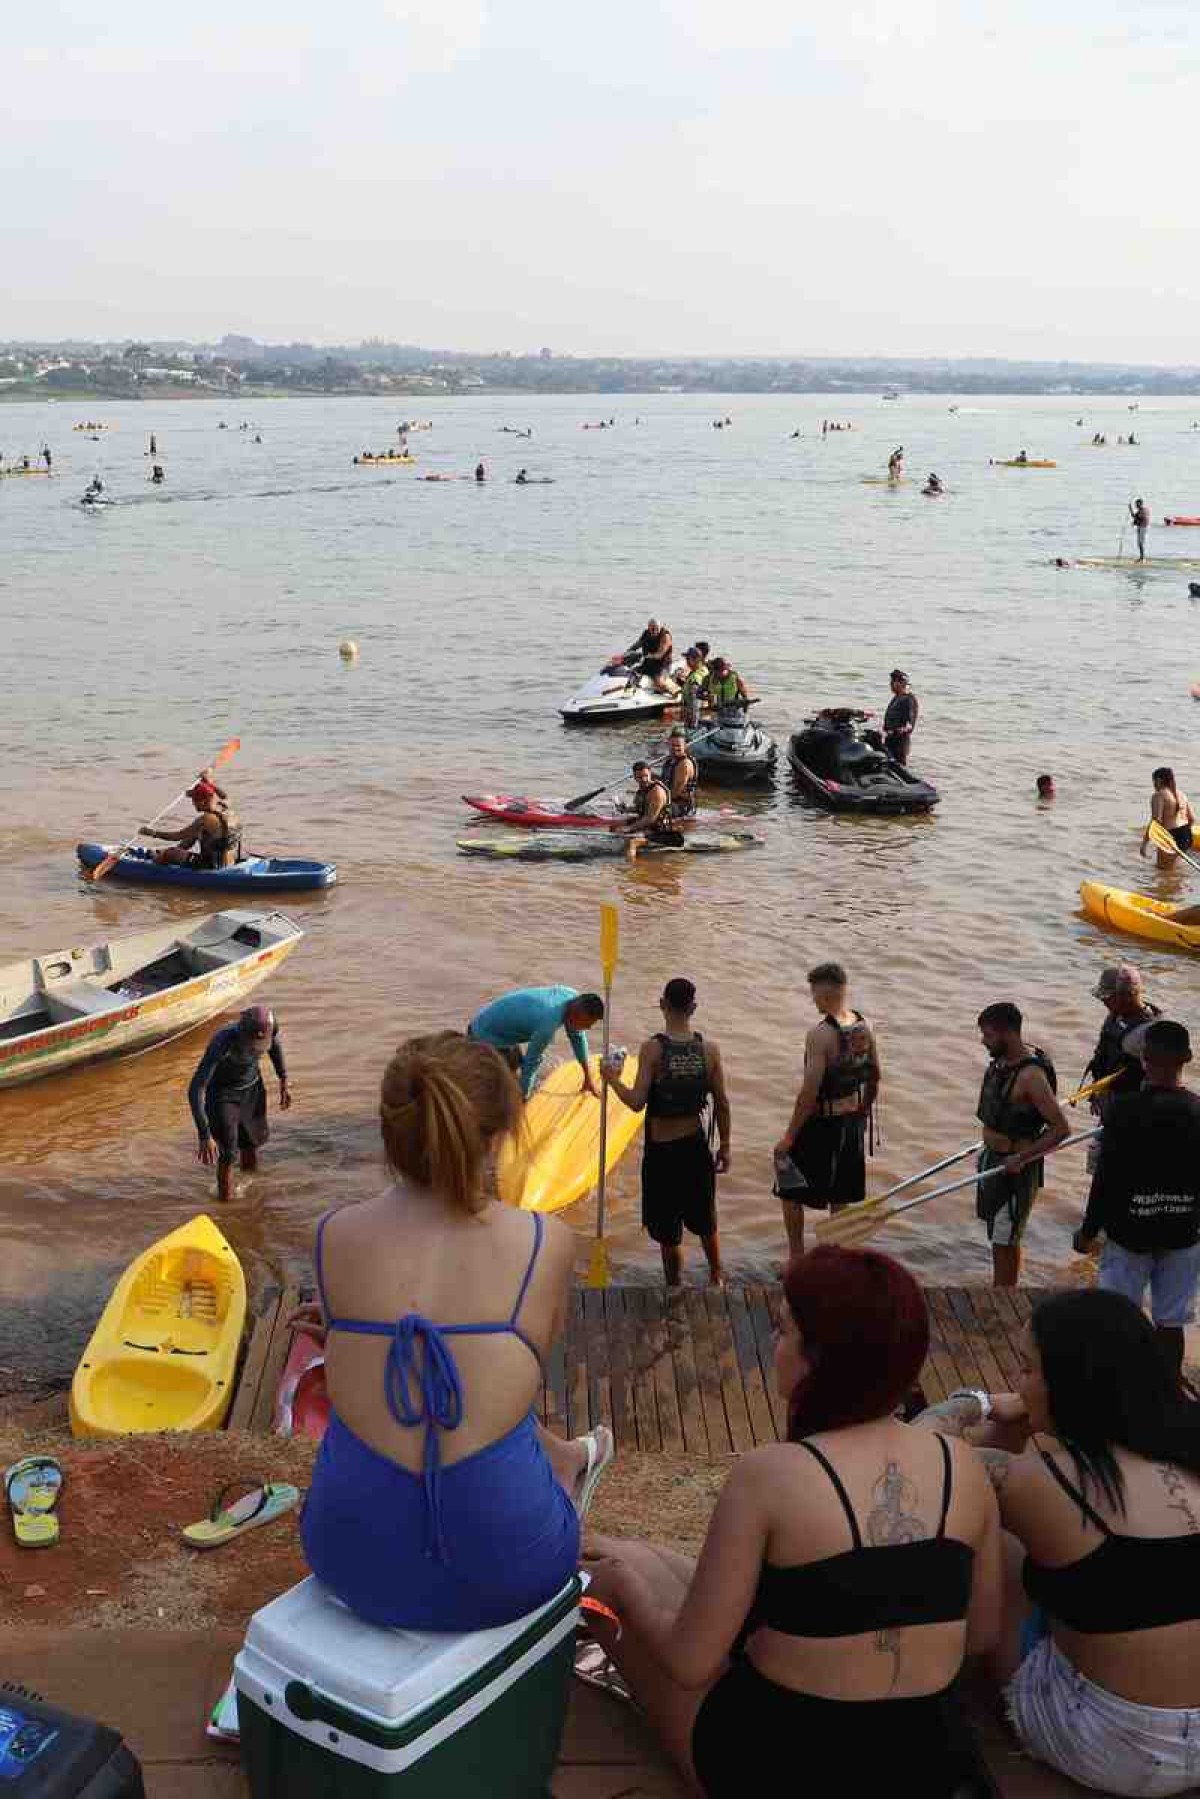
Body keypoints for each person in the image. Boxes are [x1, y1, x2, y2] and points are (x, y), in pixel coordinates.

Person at [580, 1248, 1001, 1799]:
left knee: (615, 1587)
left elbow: (689, 1662)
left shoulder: (770, 1476)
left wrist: (626, 1589)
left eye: (783, 1332)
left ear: (818, 1360)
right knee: (654, 1565)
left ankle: (611, 1581)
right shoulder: (962, 1466)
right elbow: (984, 1633)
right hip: (928, 1759)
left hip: (782, 1764)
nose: (774, 1348)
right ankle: (619, 1554)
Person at [297, 1034, 613, 1631]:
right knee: (490, 1380)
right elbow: (512, 1383)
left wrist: (349, 1338)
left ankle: (569, 1459)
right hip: (512, 1574)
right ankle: (570, 1463)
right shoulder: (546, 1241)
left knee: (455, 1376)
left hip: (348, 1566)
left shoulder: (331, 1233)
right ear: (497, 1137)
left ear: (390, 1135)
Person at [920, 1290, 1200, 1797]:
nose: (1017, 1382)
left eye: (1027, 1370)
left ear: (1071, 1383)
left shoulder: (1038, 1482)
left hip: (1112, 1747)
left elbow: (915, 1455)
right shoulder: (1186, 1443)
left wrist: (974, 1403)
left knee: (999, 1537)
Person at [1075, 1021, 1200, 1382]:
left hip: (1129, 1233)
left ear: (1143, 1059)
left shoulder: (1124, 1110)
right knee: (1171, 1321)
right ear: (1187, 1059)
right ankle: (1167, 1389)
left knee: (1117, 1316)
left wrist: (1087, 1231)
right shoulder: (1197, 1110)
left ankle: (1116, 1388)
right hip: (1182, 1234)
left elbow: (1106, 1180)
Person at [603, 978, 731, 1287]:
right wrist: (725, 1146)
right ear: (694, 1008)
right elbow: (723, 1104)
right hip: (696, 1148)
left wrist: (611, 1079)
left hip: (662, 1154)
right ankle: (717, 1277)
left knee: (668, 1231)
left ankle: (674, 1286)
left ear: (663, 1005)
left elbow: (636, 1103)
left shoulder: (653, 1049)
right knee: (705, 1221)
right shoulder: (709, 1050)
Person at [773, 964, 881, 1260]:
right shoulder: (864, 1025)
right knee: (840, 1195)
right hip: (851, 1123)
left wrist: (789, 1138)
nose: (813, 1000)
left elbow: (808, 1094)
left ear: (824, 991)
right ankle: (835, 1258)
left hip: (822, 1123)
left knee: (789, 1190)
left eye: (813, 993)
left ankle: (796, 1260)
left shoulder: (820, 1034)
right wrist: (863, 1112)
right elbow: (874, 1075)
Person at [975, 1003, 1070, 1288]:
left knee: (1006, 1239)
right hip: (993, 1159)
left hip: (1015, 1169)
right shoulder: (1002, 1064)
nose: (983, 1041)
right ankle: (1000, 1288)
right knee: (998, 1235)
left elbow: (1061, 1129)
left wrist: (1022, 1157)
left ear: (1007, 1033)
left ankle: (1005, 1297)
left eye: (988, 1035)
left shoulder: (1031, 1076)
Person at [188, 1005, 291, 1203]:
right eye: (251, 1043)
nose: (255, 1048)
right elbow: (196, 1089)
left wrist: (283, 1080)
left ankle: (251, 1192)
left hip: (252, 1089)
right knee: (228, 1154)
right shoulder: (222, 1041)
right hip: (223, 1096)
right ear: (242, 1033)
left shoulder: (271, 1027)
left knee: (251, 1143)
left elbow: (274, 1047)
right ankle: (225, 1206)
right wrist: (204, 1134)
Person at [467, 985, 603, 1099]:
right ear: (576, 1014)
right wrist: (524, 1100)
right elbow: (530, 1064)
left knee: (514, 1071)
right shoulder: (547, 1024)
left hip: (494, 1028)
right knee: (500, 1086)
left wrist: (588, 1078)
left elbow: (577, 1037)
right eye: (587, 1024)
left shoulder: (571, 996)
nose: (588, 1028)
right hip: (483, 1036)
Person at [140, 779, 242, 869]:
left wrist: (153, 833)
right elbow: (225, 796)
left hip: (212, 865)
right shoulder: (225, 807)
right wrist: (209, 783)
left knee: (170, 852)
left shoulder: (205, 820)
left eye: (194, 800)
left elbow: (177, 836)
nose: (193, 803)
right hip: (231, 861)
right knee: (195, 834)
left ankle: (156, 860)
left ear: (202, 801)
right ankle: (170, 852)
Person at [610, 761, 677, 858]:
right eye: (639, 777)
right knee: (614, 825)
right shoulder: (642, 789)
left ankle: (631, 869)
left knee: (632, 842)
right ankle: (615, 848)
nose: (644, 779)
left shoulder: (657, 792)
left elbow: (650, 819)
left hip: (658, 830)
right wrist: (624, 809)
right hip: (645, 823)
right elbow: (639, 808)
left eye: (646, 776)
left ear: (650, 773)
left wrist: (629, 828)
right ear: (635, 777)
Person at [1142, 766, 1195, 867]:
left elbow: (1156, 821)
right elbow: (1191, 819)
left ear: (1159, 780)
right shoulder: (1181, 794)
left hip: (1170, 836)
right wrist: (1183, 836)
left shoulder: (1158, 795)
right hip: (1186, 835)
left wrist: (1144, 843)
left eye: (1153, 781)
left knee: (1162, 870)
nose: (1153, 784)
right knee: (1175, 871)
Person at [626, 620, 675, 693]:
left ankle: (674, 690)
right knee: (631, 673)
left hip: (662, 666)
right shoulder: (646, 634)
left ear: (660, 627)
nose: (655, 631)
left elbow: (659, 655)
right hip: (648, 664)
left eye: (657, 628)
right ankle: (630, 691)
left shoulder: (665, 636)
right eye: (652, 629)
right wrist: (627, 653)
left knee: (658, 683)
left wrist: (645, 656)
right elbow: (637, 645)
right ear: (648, 628)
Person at [660, 726, 698, 819]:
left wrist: (656, 800)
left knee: (651, 807)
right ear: (668, 744)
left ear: (685, 746)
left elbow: (676, 792)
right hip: (671, 800)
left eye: (678, 746)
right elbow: (666, 781)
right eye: (672, 745)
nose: (675, 748)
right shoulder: (669, 761)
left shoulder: (684, 764)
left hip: (682, 807)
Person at [883, 669, 919, 765]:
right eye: (891, 681)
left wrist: (896, 731)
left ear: (903, 683)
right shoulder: (896, 698)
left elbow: (909, 725)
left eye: (894, 682)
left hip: (900, 743)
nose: (891, 684)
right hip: (890, 740)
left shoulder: (908, 699)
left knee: (899, 769)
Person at [677, 646, 710, 725]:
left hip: (694, 719)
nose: (687, 661)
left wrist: (693, 722)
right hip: (704, 715)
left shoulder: (695, 678)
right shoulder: (704, 670)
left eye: (688, 659)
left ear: (697, 659)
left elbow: (695, 702)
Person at [1130, 497, 1150, 563]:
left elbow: (1138, 517)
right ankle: (1141, 558)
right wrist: (1130, 509)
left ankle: (1143, 558)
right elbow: (1135, 517)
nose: (1136, 506)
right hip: (1140, 528)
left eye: (1137, 504)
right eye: (1136, 504)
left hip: (1143, 528)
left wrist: (1130, 509)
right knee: (1139, 543)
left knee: (1141, 543)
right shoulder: (1140, 511)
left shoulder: (1144, 510)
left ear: (1140, 504)